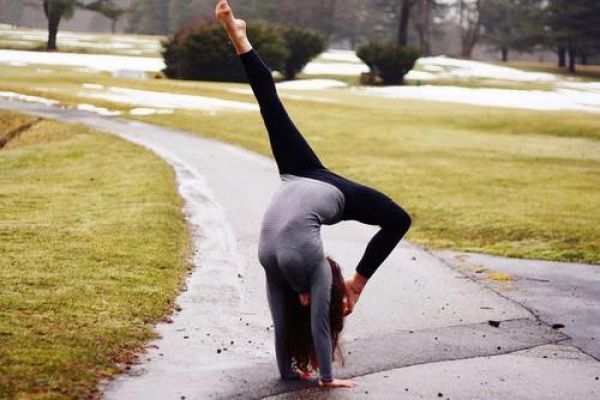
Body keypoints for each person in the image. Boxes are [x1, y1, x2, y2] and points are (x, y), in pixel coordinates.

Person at [215, 0, 412, 389]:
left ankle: (240, 37)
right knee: (270, 107)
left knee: (271, 105)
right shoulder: (301, 270)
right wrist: (326, 378)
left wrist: (349, 288)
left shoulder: (299, 269)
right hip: (301, 185)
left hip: (302, 175)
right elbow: (314, 323)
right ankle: (238, 37)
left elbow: (303, 320)